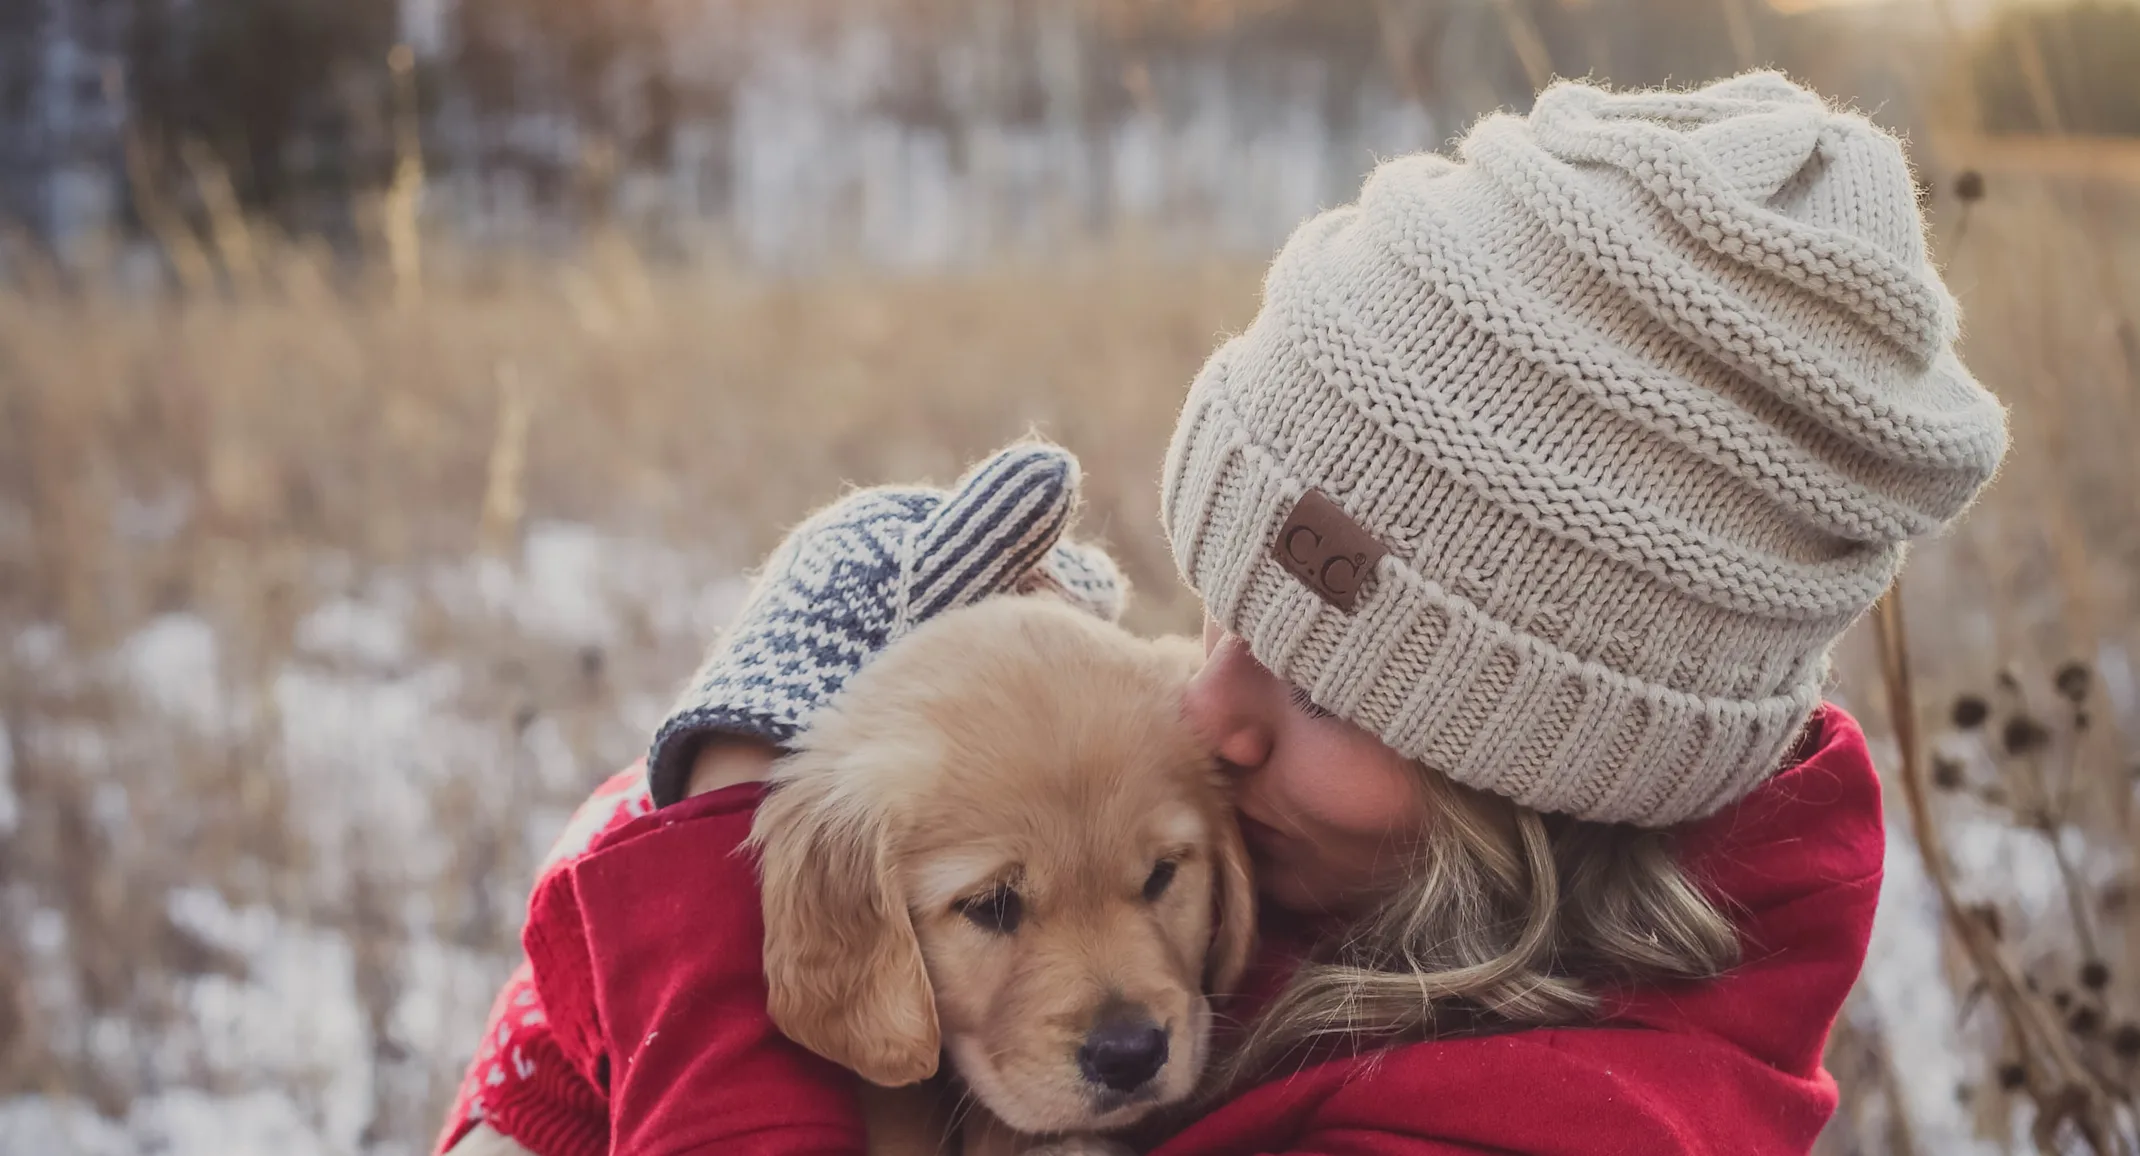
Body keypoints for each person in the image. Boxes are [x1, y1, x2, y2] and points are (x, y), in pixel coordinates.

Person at [436, 71, 2007, 1156]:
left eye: (1327, 689)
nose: (1205, 714)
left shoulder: (1572, 1118)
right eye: (1223, 617)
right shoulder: (1345, 872)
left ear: (1551, 775)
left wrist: (720, 823)